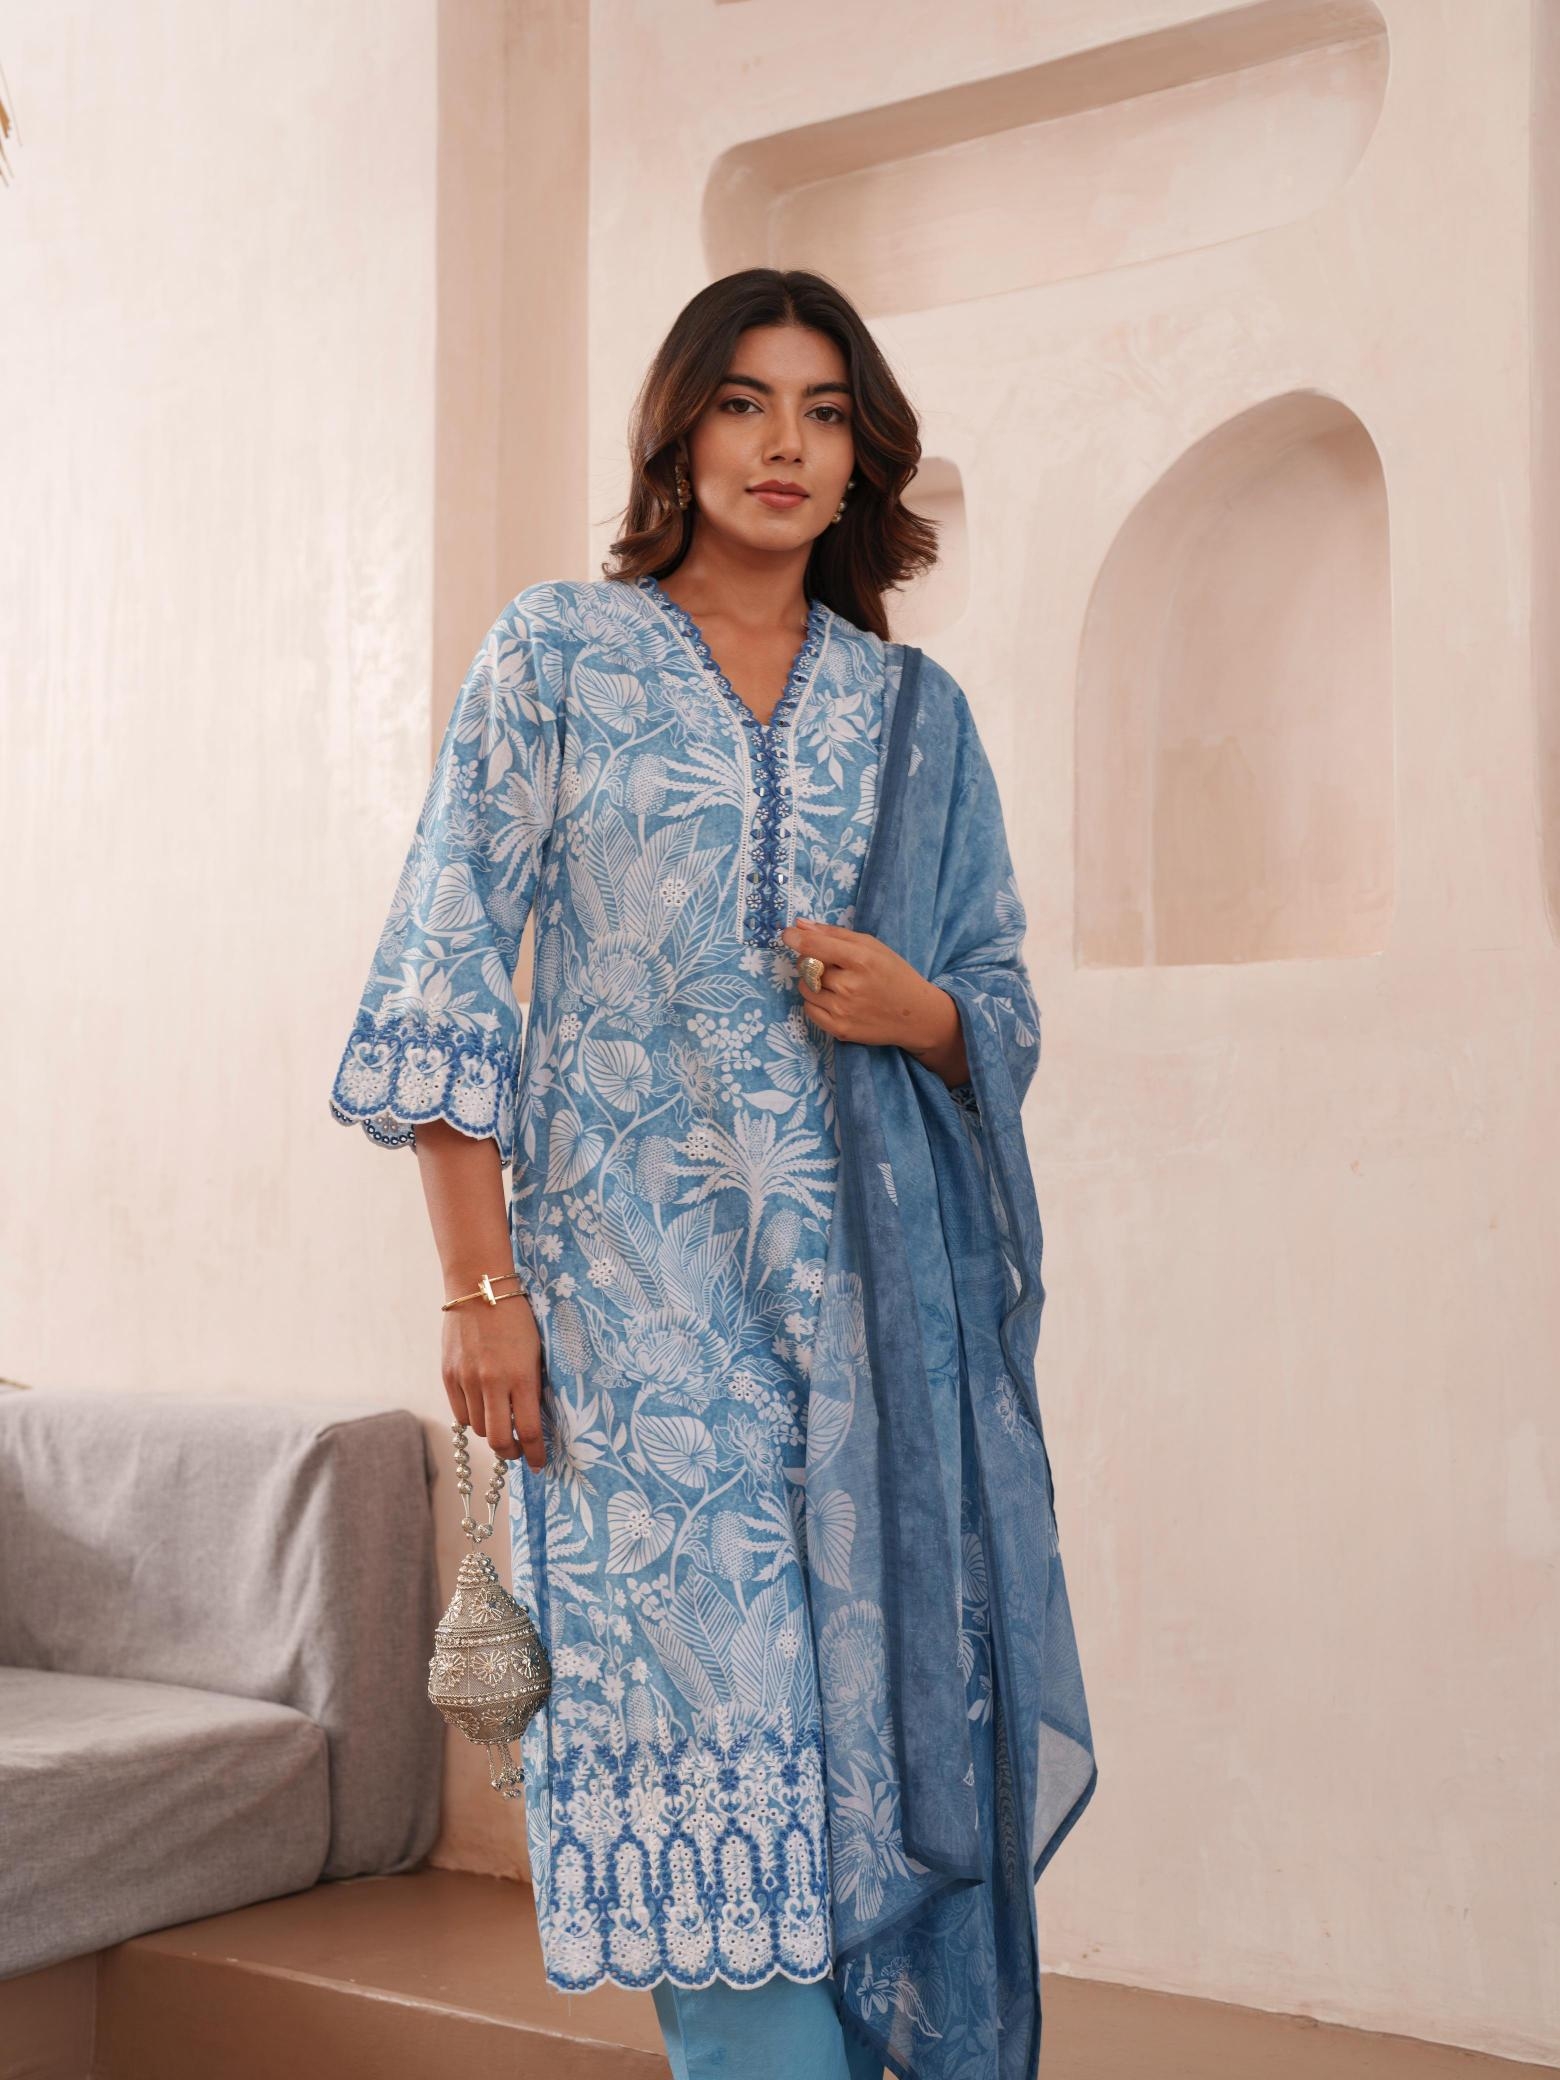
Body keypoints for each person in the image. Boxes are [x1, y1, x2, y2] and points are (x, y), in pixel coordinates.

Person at [329, 268, 1097, 2080]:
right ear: (679, 432)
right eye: (746, 402)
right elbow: (444, 974)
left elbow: (998, 1004)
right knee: (710, 1838)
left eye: (824, 413)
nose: (783, 444)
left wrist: (923, 1015)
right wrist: (479, 1290)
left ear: (863, 460)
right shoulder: (558, 655)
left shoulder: (915, 715)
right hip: (632, 1355)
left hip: (875, 1366)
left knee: (868, 1808)